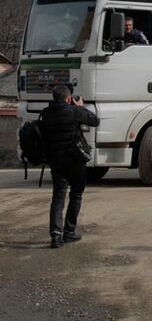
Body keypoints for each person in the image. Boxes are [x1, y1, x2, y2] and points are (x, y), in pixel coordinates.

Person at [39, 85, 100, 249]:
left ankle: (55, 236)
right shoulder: (74, 111)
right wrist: (80, 107)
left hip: (56, 161)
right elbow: (95, 121)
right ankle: (69, 232)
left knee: (58, 197)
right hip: (75, 160)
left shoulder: (45, 114)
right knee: (76, 195)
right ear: (68, 98)